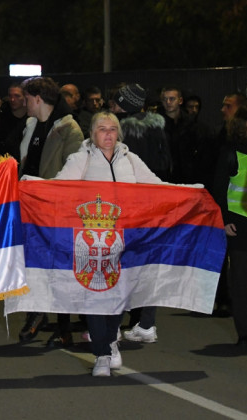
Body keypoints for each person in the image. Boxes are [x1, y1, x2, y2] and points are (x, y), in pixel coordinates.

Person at [52, 111, 166, 376]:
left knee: (118, 296)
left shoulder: (131, 159)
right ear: (92, 133)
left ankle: (111, 340)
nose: (108, 134)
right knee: (94, 297)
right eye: (102, 129)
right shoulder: (80, 159)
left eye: (112, 129)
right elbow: (57, 189)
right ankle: (102, 354)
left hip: (124, 240)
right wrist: (31, 186)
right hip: (92, 242)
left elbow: (158, 187)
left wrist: (190, 191)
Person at [17, 76, 83, 344]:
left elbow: (75, 173)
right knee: (34, 264)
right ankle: (37, 312)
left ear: (37, 99)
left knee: (60, 267)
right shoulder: (31, 125)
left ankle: (64, 326)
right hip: (31, 208)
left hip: (57, 210)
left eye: (26, 99)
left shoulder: (70, 130)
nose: (24, 104)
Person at [210, 103, 247, 348]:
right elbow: (219, 190)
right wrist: (225, 220)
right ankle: (246, 335)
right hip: (241, 226)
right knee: (242, 284)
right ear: (243, 125)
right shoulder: (230, 152)